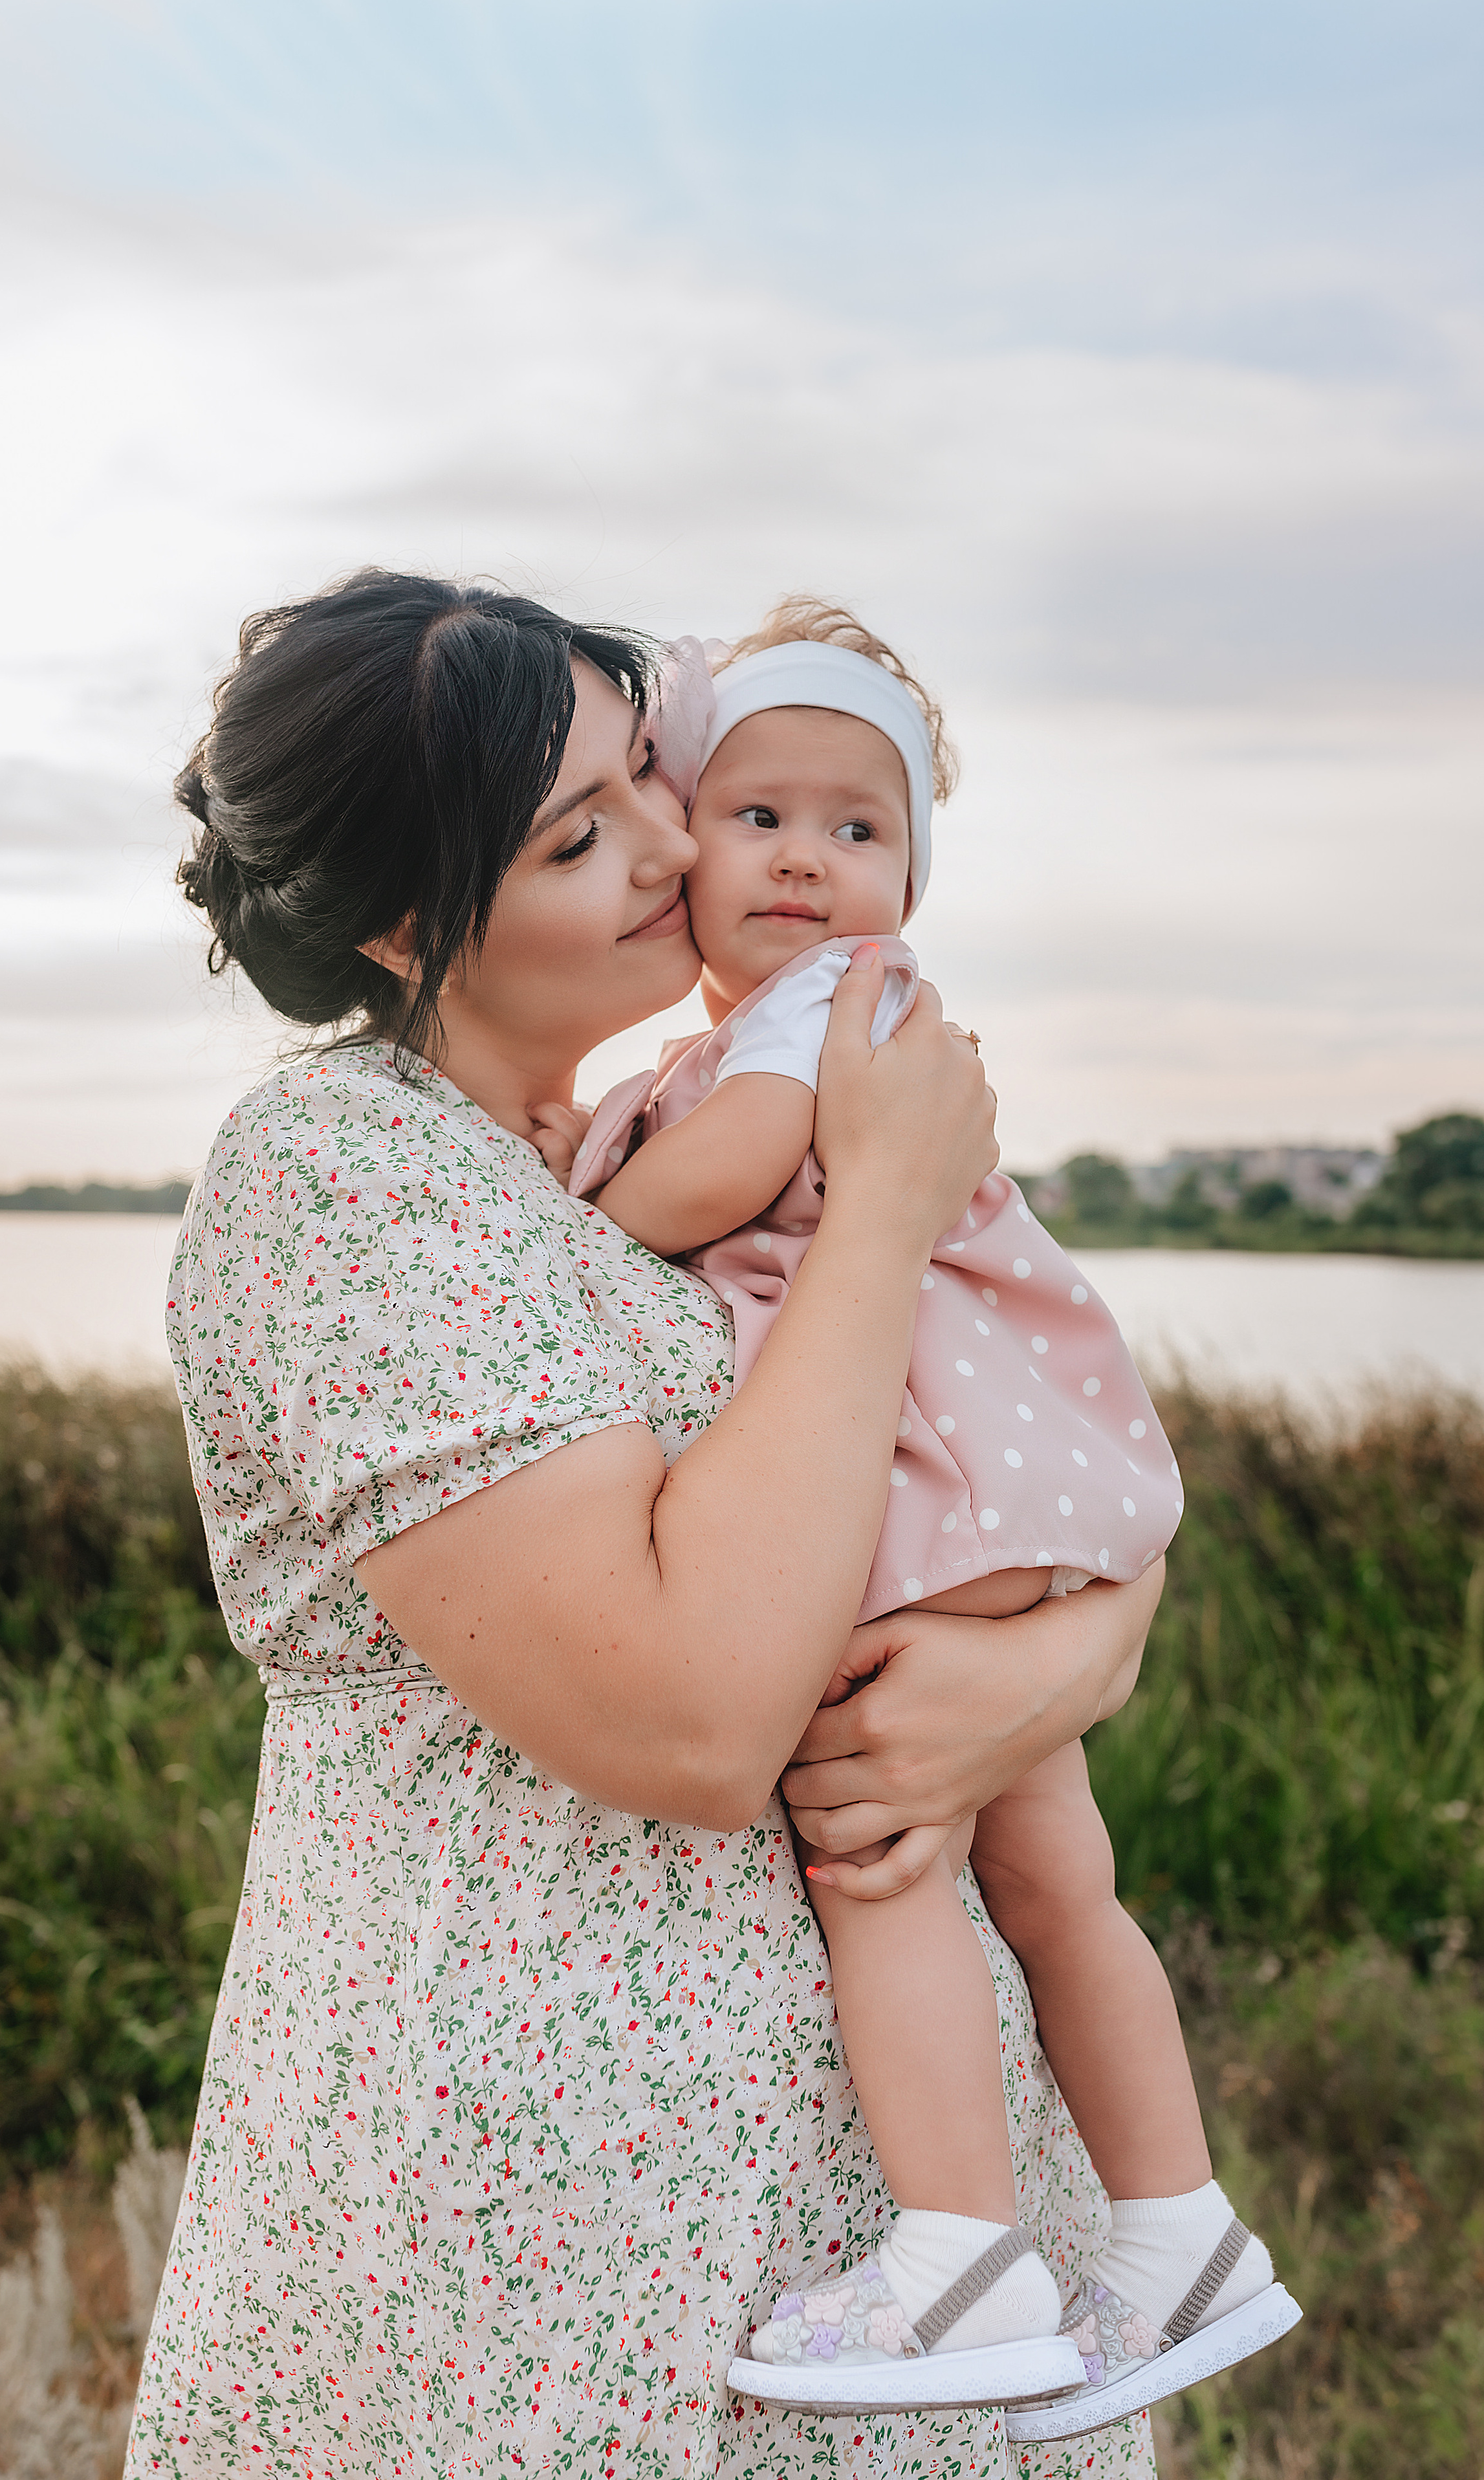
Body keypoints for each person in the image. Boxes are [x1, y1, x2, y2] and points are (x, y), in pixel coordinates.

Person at [126, 567, 1172, 2480]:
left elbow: (1016, 1453)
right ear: (400, 922)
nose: (675, 844)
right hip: (553, 2207)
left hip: (886, 2196)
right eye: (579, 831)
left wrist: (1060, 1660)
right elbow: (689, 1727)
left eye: (647, 781)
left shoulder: (646, 1148)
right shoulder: (348, 1174)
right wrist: (877, 1199)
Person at [560, 604, 1298, 2437]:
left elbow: (719, 1184)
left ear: (910, 872)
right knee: (1054, 1878)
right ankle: (1177, 2230)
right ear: (685, 843)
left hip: (926, 1492)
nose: (808, 856)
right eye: (760, 817)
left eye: (858, 827)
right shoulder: (826, 1022)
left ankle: (957, 2259)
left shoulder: (818, 1019)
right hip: (1008, 1487)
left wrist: (579, 1206)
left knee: (880, 1855)